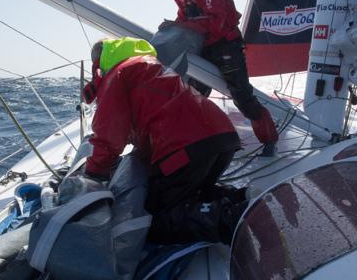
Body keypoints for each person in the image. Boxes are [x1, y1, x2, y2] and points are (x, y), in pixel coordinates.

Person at [81, 37, 246, 245]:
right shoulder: (149, 66)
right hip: (222, 137)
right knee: (192, 192)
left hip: (187, 146)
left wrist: (94, 175)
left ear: (99, 64)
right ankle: (242, 198)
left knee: (150, 217)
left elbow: (108, 135)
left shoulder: (116, 75)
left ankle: (229, 219)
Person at [154, 0, 279, 149]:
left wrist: (179, 25)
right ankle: (199, 144)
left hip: (226, 45)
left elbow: (215, 23)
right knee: (192, 96)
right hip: (204, 48)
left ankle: (270, 141)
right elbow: (184, 19)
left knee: (242, 96)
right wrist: (174, 26)